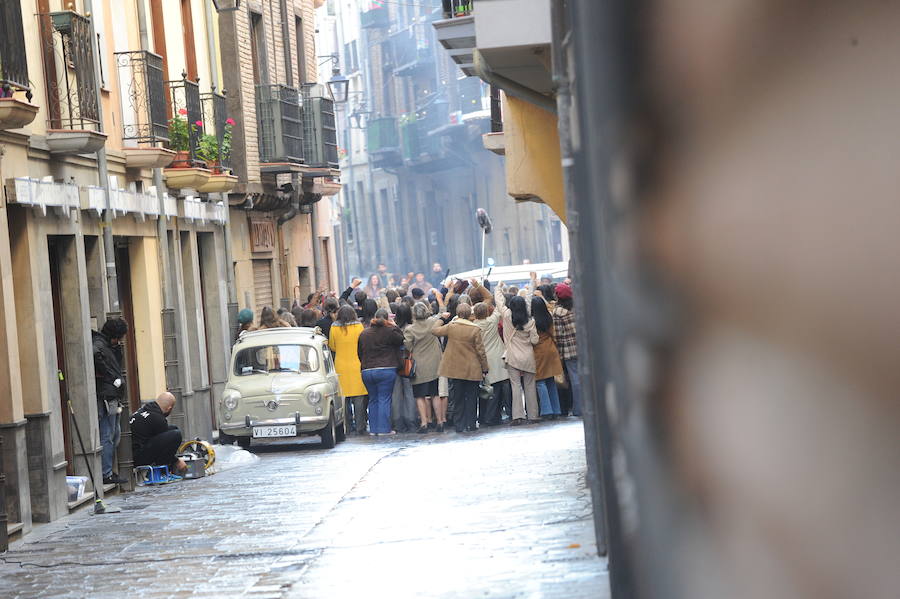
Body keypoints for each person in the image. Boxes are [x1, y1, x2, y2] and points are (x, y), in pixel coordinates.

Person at [433, 303, 489, 433]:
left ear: (457, 313)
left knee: (457, 397)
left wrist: (441, 318)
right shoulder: (475, 329)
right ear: (470, 313)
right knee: (472, 397)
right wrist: (485, 368)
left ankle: (459, 424)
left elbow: (434, 330)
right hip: (472, 368)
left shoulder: (452, 327)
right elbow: (480, 351)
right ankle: (471, 423)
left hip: (455, 368)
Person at [495, 283, 540, 424]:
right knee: (530, 386)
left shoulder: (507, 316)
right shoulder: (530, 321)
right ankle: (533, 415)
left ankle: (517, 416)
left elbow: (499, 301)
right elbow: (535, 340)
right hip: (527, 356)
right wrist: (532, 283)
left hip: (512, 356)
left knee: (515, 386)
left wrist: (498, 288)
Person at [357, 309, 405, 435]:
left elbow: (360, 353)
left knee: (373, 399)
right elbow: (401, 340)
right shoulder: (390, 331)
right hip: (386, 369)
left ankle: (374, 429)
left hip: (367, 370)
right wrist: (395, 326)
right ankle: (384, 429)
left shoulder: (364, 333)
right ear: (387, 319)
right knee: (384, 398)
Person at [93, 317, 128, 485]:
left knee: (114, 434)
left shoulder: (109, 346)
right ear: (115, 336)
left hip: (112, 395)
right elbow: (96, 355)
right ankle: (106, 473)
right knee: (108, 435)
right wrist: (110, 376)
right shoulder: (99, 345)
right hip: (106, 396)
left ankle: (108, 471)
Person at [404, 302, 444, 433]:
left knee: (420, 396)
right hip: (434, 364)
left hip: (419, 366)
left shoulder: (410, 329)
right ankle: (439, 422)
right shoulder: (433, 322)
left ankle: (424, 423)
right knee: (435, 394)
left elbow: (407, 347)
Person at [329, 306, 369, 434]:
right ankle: (360, 426)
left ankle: (347, 426)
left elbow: (332, 346)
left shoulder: (334, 327)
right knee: (359, 398)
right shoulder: (358, 327)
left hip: (341, 365)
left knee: (344, 398)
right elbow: (363, 344)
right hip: (356, 364)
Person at [130, 392, 186, 479]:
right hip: (138, 457)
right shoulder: (158, 419)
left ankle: (162, 470)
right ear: (169, 408)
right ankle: (161, 472)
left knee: (173, 429)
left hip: (134, 452)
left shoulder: (144, 410)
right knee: (176, 435)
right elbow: (165, 448)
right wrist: (177, 461)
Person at [473, 300, 509, 426]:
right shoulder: (492, 321)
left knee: (488, 391)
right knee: (501, 388)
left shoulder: (473, 326)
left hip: (484, 359)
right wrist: (498, 290)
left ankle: (487, 416)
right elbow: (499, 308)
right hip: (498, 356)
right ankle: (496, 416)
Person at [552, 283, 581, 417]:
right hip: (582, 347)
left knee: (575, 379)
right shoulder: (577, 307)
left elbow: (557, 334)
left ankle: (579, 408)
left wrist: (558, 353)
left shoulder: (557, 312)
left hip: (569, 350)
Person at [532, 297, 563, 419]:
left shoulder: (533, 321)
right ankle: (556, 409)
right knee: (551, 381)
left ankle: (546, 410)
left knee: (540, 381)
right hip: (551, 348)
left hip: (539, 351)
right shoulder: (549, 317)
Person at [390, 303, 417, 432]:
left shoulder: (392, 329)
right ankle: (411, 421)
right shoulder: (412, 328)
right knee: (409, 393)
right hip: (408, 363)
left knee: (396, 394)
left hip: (394, 362)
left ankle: (397, 422)